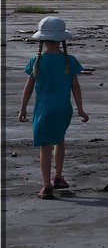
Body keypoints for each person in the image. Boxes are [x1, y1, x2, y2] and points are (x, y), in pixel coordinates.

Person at [18, 16, 89, 200]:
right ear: (62, 39)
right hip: (64, 109)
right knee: (59, 140)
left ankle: (46, 185)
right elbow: (76, 87)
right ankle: (58, 177)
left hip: (44, 109)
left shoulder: (36, 61)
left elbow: (28, 88)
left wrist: (23, 108)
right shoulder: (69, 60)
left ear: (42, 38)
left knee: (44, 147)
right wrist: (80, 109)